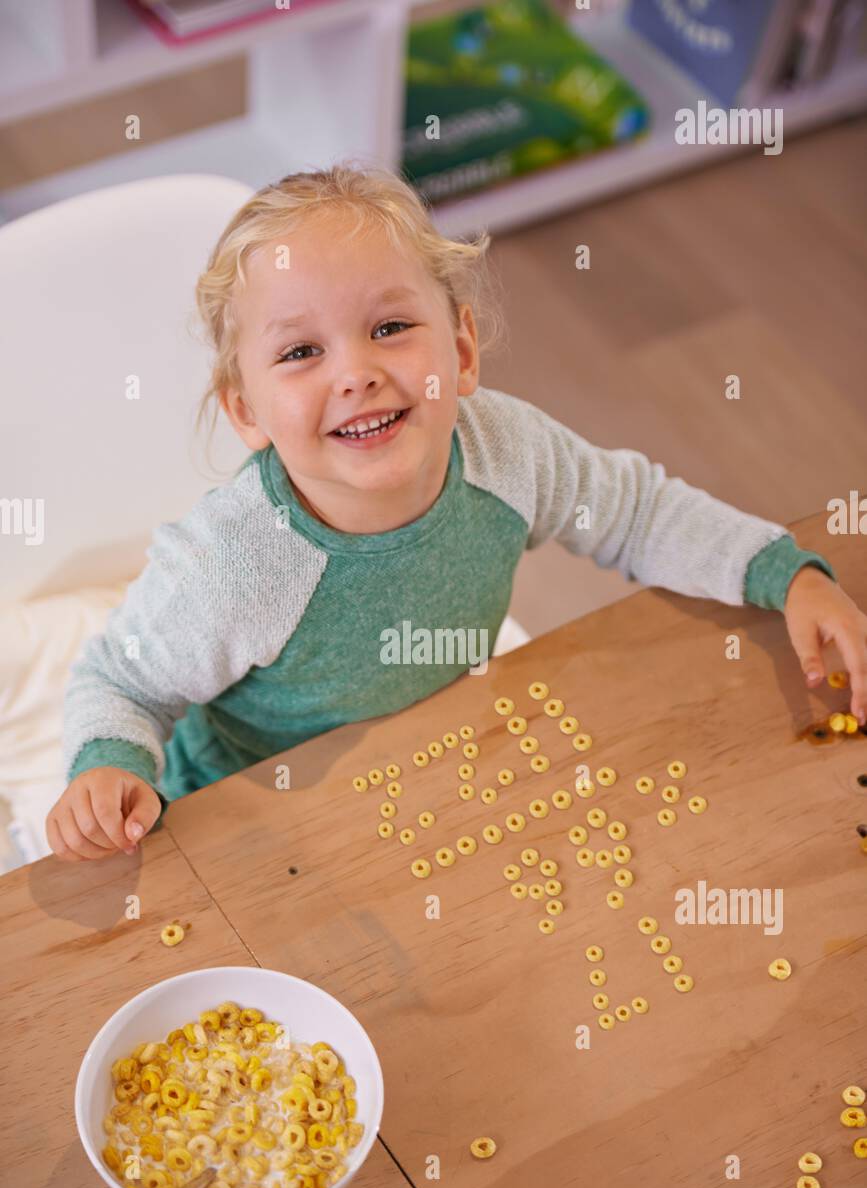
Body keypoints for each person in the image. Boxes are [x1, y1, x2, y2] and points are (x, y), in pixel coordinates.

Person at [47, 162, 867, 862]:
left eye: (391, 327)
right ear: (248, 414)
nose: (356, 372)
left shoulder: (508, 451)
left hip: (439, 768)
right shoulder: (232, 562)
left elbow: (638, 513)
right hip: (245, 817)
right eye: (301, 352)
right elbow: (121, 681)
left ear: (462, 352)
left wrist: (781, 572)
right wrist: (107, 768)